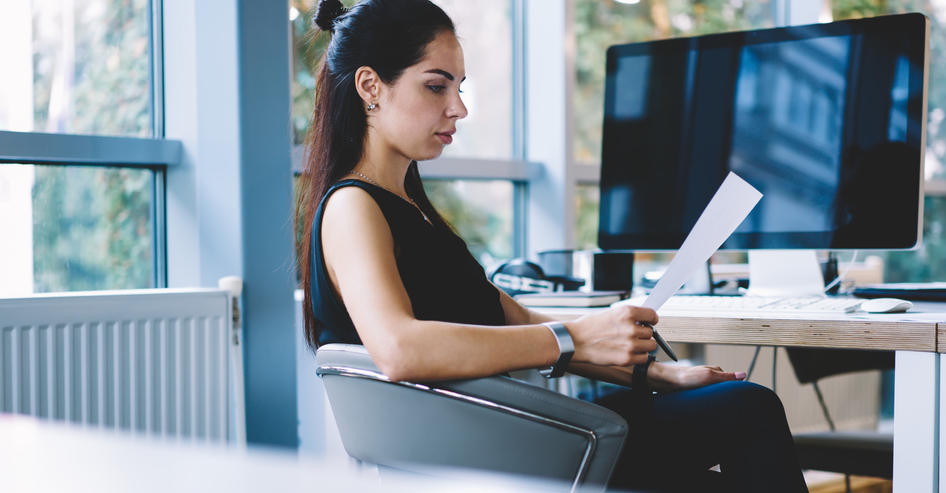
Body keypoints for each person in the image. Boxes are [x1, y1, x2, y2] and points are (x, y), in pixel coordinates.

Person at [296, 1, 808, 491]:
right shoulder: (352, 207)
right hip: (482, 452)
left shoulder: (407, 208)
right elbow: (400, 350)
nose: (459, 108)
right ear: (370, 86)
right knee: (748, 409)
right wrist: (577, 334)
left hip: (493, 440)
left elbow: (516, 322)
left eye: (459, 87)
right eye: (436, 86)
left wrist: (656, 373)